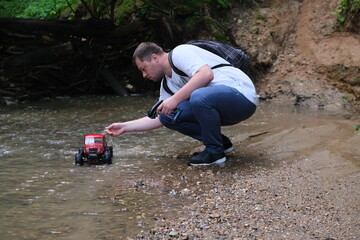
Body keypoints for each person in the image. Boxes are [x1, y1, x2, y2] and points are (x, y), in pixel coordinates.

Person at [105, 42, 257, 166]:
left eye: (143, 69)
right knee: (168, 115)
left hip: (242, 96)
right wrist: (125, 127)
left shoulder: (179, 53)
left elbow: (206, 74)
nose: (144, 75)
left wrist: (175, 99)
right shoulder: (167, 84)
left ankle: (215, 153)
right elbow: (158, 118)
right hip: (220, 109)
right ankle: (221, 144)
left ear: (155, 58)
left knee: (197, 96)